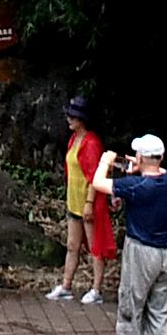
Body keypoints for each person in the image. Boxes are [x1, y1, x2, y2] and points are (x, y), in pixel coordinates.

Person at [89, 133, 167, 335]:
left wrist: (105, 162)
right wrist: (138, 169)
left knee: (130, 303)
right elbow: (153, 175)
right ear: (160, 157)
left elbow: (98, 183)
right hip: (165, 252)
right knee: (160, 309)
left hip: (141, 251)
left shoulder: (136, 187)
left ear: (140, 157)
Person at [48, 97, 115, 306]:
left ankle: (96, 289)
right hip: (73, 200)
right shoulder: (74, 139)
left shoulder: (91, 143)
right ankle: (66, 285)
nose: (69, 119)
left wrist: (89, 202)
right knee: (72, 245)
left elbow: (95, 176)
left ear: (82, 119)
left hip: (89, 202)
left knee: (95, 247)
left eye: (73, 116)